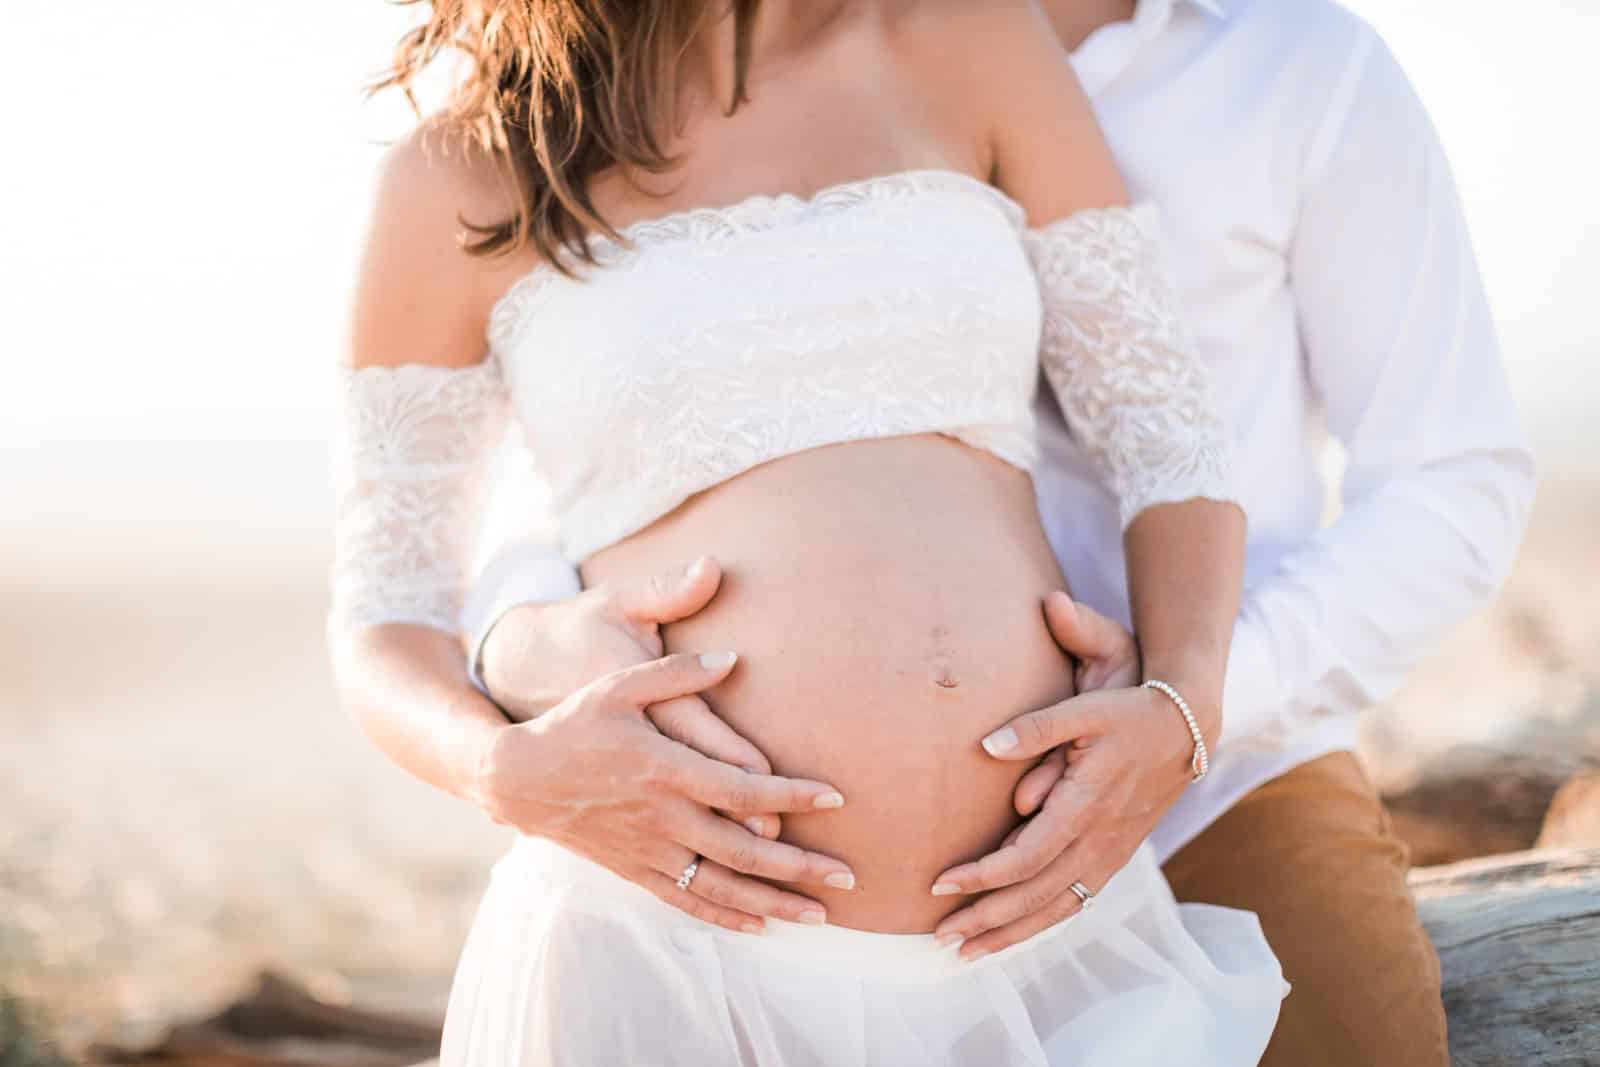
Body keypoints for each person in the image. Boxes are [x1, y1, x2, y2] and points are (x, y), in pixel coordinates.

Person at [438, 0, 1537, 1064]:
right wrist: (522, 636)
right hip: (739, 839)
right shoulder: (710, 70)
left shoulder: (1299, 63)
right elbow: (600, 442)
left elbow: (1452, 480)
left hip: (1225, 779)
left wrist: (1191, 706)